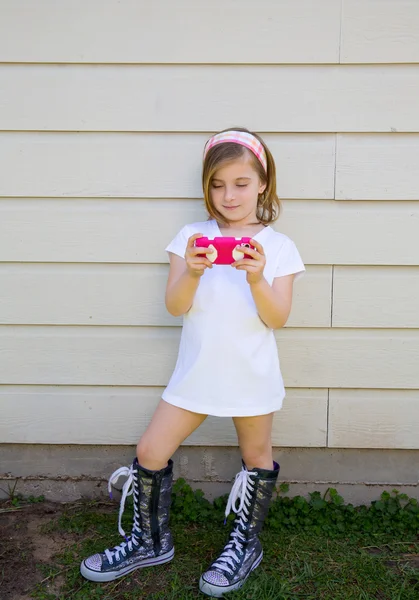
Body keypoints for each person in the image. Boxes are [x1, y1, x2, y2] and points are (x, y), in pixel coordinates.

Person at [80, 127, 305, 597]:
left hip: (251, 375)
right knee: (149, 452)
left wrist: (259, 278)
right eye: (218, 185)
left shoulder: (279, 247)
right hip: (196, 374)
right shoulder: (191, 237)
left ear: (262, 182)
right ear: (207, 186)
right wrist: (194, 270)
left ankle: (246, 543)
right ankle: (150, 541)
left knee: (256, 458)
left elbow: (277, 317)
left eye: (241, 183)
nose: (229, 195)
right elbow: (176, 306)